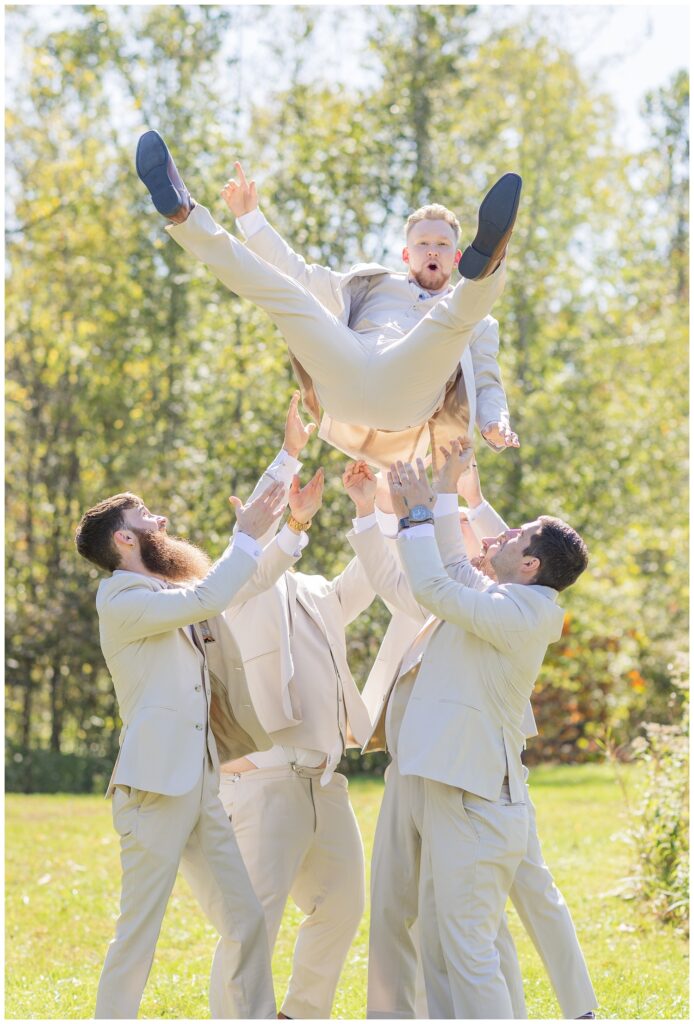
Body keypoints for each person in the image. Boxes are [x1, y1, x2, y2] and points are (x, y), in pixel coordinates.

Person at [344, 455, 597, 1020]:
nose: (500, 533)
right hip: (432, 770)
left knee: (466, 943)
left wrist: (415, 513)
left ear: (529, 564)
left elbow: (435, 583)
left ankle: (581, 1012)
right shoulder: (504, 597)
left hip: (469, 783)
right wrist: (440, 491)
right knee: (435, 929)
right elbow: (452, 570)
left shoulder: (523, 612)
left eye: (518, 534)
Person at [74, 468, 319, 1019]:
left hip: (201, 784)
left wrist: (289, 497)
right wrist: (245, 536)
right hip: (154, 789)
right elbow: (214, 591)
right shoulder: (120, 600)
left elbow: (240, 582)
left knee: (245, 920)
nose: (161, 520)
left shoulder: (167, 590)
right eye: (146, 518)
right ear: (124, 539)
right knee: (139, 933)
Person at [135, 129, 521, 470]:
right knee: (290, 296)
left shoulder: (474, 322)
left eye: (442, 245)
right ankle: (186, 214)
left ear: (457, 257)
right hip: (347, 369)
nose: (432, 251)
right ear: (406, 254)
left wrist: (494, 422)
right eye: (423, 244)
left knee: (457, 316)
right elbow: (295, 271)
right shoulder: (371, 283)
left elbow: (488, 380)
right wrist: (251, 218)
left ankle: (490, 261)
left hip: (407, 392)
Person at [214, 393, 375, 1019]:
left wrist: (373, 507)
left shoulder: (314, 590)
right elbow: (264, 556)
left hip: (324, 781)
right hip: (268, 780)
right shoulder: (236, 587)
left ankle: (299, 1016)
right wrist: (294, 519)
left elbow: (366, 584)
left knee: (342, 906)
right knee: (252, 921)